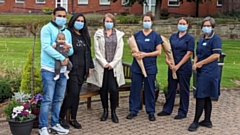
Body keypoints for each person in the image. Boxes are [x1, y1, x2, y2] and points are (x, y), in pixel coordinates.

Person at [38, 7, 73, 135]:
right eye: (59, 16)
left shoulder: (67, 32)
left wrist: (68, 51)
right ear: (53, 16)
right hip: (48, 69)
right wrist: (61, 57)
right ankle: (42, 126)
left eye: (64, 16)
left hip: (63, 71)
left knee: (58, 99)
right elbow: (46, 47)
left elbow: (72, 49)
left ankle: (55, 124)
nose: (62, 18)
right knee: (48, 99)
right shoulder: (46, 29)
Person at [87, 13, 125, 123]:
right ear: (103, 22)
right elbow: (96, 50)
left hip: (114, 67)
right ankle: (105, 111)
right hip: (102, 66)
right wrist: (104, 63)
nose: (108, 23)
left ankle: (113, 112)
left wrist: (112, 64)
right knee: (103, 89)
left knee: (113, 89)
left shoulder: (118, 35)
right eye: (106, 21)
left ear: (114, 22)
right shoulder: (98, 34)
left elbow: (119, 51)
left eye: (110, 21)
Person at [59, 13, 94, 129]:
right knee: (73, 93)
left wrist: (90, 67)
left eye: (82, 21)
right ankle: (61, 116)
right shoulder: (69, 34)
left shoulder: (84, 36)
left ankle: (73, 118)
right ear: (73, 21)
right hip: (72, 69)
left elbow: (88, 53)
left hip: (82, 70)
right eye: (78, 20)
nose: (80, 23)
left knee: (77, 95)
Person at [126, 11, 163, 121]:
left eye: (148, 21)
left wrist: (145, 54)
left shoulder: (156, 36)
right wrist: (135, 54)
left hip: (150, 67)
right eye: (145, 21)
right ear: (142, 22)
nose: (146, 22)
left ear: (152, 22)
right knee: (135, 89)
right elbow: (132, 51)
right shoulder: (137, 35)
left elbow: (159, 52)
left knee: (150, 89)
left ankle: (151, 111)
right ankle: (133, 110)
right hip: (137, 67)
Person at [188, 17, 222, 131]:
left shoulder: (215, 39)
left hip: (210, 71)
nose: (205, 28)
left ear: (212, 27)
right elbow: (197, 53)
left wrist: (201, 63)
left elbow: (216, 55)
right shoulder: (201, 39)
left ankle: (195, 121)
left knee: (200, 95)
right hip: (201, 70)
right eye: (204, 25)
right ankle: (207, 120)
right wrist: (195, 62)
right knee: (206, 96)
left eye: (208, 26)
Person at [157, 17, 195, 119]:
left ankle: (182, 111)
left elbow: (189, 53)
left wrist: (178, 66)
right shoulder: (173, 36)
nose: (181, 25)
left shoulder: (190, 38)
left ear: (187, 25)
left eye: (183, 23)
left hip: (184, 68)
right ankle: (167, 109)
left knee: (183, 89)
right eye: (180, 23)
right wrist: (168, 61)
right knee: (171, 88)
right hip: (172, 67)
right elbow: (168, 50)